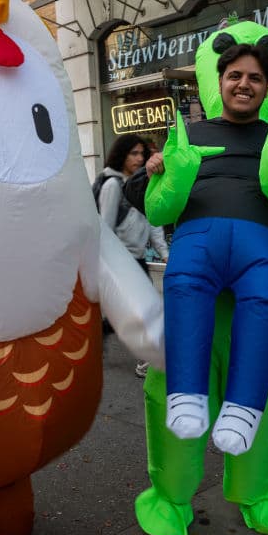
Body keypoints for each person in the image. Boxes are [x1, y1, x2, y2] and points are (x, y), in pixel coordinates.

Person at [125, 20, 268, 535]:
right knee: (176, 384)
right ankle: (170, 495)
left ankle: (255, 492)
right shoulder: (190, 136)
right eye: (234, 75)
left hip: (262, 281)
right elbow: (144, 197)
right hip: (195, 278)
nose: (244, 84)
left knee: (266, 386)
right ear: (218, 80)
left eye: (255, 78)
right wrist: (152, 168)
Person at [93, 133, 168, 378]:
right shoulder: (113, 185)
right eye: (133, 153)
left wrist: (165, 254)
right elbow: (105, 226)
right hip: (123, 259)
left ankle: (97, 335)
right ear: (121, 155)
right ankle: (147, 361)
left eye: (141, 154)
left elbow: (154, 221)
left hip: (138, 257)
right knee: (145, 309)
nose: (138, 158)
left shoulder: (144, 182)